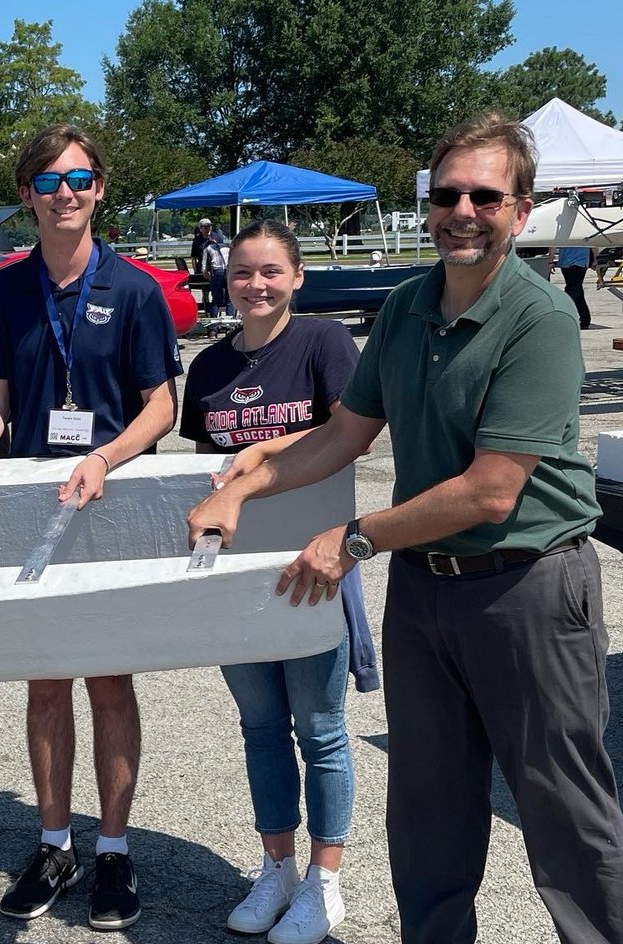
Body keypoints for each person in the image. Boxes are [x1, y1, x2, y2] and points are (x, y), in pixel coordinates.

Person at [187, 113, 623, 944]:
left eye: (484, 194)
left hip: (528, 589)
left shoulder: (539, 318)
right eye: (447, 194)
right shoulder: (404, 307)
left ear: (520, 208)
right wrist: (247, 485)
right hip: (425, 593)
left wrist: (353, 537)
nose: (462, 210)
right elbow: (343, 434)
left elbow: (491, 491)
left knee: (566, 820)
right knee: (428, 817)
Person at [0, 123, 181, 932]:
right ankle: (54, 843)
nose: (65, 195)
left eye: (78, 180)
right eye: (48, 183)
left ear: (100, 188)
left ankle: (112, 850)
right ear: (27, 197)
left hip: (109, 498)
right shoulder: (6, 291)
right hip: (34, 500)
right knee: (45, 682)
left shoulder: (138, 288)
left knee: (110, 682)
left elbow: (162, 404)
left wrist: (108, 456)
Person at [180, 220, 377, 944]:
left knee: (320, 731)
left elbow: (348, 431)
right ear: (224, 279)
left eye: (270, 272)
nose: (255, 285)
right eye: (241, 273)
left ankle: (326, 882)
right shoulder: (206, 368)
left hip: (314, 564)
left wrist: (261, 447)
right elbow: (203, 473)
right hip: (238, 575)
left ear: (297, 277)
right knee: (261, 728)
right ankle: (278, 870)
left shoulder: (324, 343)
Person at [556, 245, 594, 328]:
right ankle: (585, 319)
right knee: (576, 290)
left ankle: (564, 316)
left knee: (571, 290)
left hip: (579, 261)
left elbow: (592, 243)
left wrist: (595, 258)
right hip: (565, 261)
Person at [203, 229, 234, 319]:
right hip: (228, 273)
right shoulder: (229, 248)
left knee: (216, 300)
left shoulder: (208, 249)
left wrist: (210, 279)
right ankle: (230, 322)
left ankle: (214, 324)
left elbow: (204, 270)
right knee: (230, 299)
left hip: (217, 273)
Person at [191, 218, 214, 309]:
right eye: (206, 227)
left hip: (214, 268)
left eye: (209, 226)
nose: (208, 229)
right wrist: (196, 270)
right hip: (201, 269)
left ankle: (214, 306)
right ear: (200, 228)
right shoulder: (197, 241)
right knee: (205, 289)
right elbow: (193, 257)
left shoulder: (215, 237)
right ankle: (206, 305)